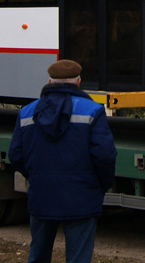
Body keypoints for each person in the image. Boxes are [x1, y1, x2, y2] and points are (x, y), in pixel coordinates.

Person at [9, 59, 117, 263]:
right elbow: (105, 155)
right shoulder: (92, 111)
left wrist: (36, 177)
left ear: (49, 81)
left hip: (41, 195)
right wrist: (101, 186)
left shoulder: (26, 113)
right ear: (78, 82)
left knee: (38, 255)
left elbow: (16, 155)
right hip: (81, 198)